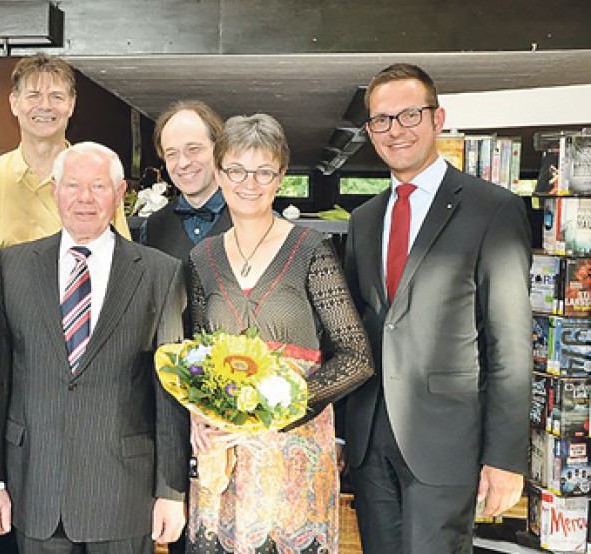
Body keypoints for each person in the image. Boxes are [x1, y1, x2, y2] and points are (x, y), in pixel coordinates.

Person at [343, 63, 532, 554]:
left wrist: (506, 459)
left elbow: (509, 344)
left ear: (437, 118)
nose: (395, 130)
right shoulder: (363, 220)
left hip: (447, 442)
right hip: (369, 441)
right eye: (382, 120)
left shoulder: (493, 209)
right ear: (369, 131)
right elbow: (359, 331)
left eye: (409, 115)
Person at [0, 142, 189, 552]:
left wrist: (171, 491)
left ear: (120, 192)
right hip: (34, 488)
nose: (85, 198)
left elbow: (169, 393)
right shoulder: (11, 267)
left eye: (99, 186)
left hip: (124, 494)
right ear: (55, 190)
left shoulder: (160, 273)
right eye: (73, 185)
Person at [186, 114, 373, 553]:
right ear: (218, 173)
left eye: (263, 171)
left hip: (294, 456)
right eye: (236, 170)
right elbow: (195, 352)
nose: (248, 183)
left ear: (280, 177)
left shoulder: (311, 250)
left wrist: (277, 412)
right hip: (224, 456)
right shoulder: (201, 257)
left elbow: (356, 358)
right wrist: (197, 413)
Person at [0, 53, 130, 252]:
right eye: (34, 96)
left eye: (56, 97)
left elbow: (123, 259)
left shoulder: (100, 177)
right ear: (14, 103)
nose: (45, 106)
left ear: (71, 105)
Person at [142, 100, 230, 258]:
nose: (183, 163)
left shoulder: (254, 220)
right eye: (172, 154)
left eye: (193, 149)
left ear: (219, 150)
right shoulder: (152, 228)